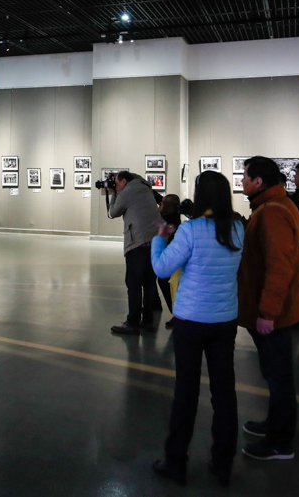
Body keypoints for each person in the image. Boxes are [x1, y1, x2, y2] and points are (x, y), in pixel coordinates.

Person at [150, 172, 244, 487]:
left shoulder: (190, 230)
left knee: (186, 393)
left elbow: (162, 267)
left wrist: (160, 238)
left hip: (191, 320)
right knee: (224, 393)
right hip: (225, 320)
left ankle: (176, 463)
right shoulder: (237, 229)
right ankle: (223, 465)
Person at [237, 156, 299, 461]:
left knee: (278, 376)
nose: (242, 180)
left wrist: (267, 312)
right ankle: (274, 424)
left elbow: (279, 267)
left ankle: (280, 442)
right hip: (274, 308)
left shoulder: (272, 212)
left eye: (245, 176)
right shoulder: (273, 206)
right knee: (274, 372)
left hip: (273, 313)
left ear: (258, 182)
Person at [108, 171, 162, 335]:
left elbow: (113, 213)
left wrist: (113, 193)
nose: (116, 185)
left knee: (134, 285)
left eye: (117, 182)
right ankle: (148, 321)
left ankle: (132, 323)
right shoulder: (146, 187)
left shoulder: (126, 192)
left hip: (137, 242)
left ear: (124, 182)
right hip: (155, 241)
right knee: (150, 283)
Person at [157, 194, 181, 329]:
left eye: (163, 203)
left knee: (165, 283)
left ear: (170, 208)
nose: (160, 205)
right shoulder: (171, 218)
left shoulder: (170, 222)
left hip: (170, 260)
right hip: (170, 258)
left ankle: (176, 314)